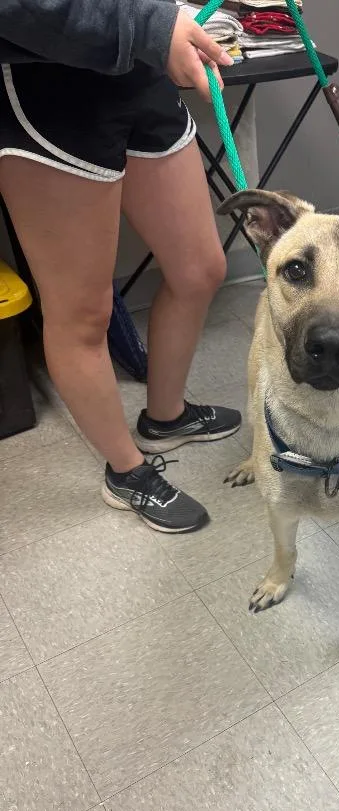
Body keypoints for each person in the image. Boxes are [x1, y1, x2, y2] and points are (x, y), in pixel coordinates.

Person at [0, 0, 244, 534]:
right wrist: (151, 24)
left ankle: (166, 416)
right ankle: (126, 471)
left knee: (199, 270)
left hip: (137, 66)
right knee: (83, 314)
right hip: (46, 83)